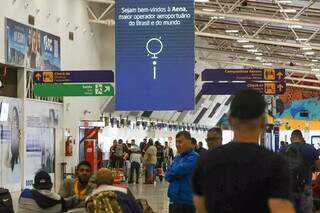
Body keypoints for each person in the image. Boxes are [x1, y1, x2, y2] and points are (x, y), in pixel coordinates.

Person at [192, 89, 295, 213]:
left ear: (230, 120)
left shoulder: (205, 161)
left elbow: (200, 209)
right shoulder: (275, 164)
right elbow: (281, 209)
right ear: (263, 122)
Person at [281, 129, 320, 213]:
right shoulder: (311, 148)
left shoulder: (283, 149)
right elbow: (318, 168)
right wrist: (310, 167)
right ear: (302, 138)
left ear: (291, 138)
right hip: (305, 187)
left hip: (288, 188)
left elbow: (278, 169)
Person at [165, 131, 199, 213]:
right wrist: (174, 171)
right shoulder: (177, 157)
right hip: (174, 200)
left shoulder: (194, 158)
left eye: (180, 142)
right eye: (176, 142)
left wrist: (174, 171)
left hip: (188, 202)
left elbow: (177, 171)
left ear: (189, 142)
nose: (177, 144)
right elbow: (167, 176)